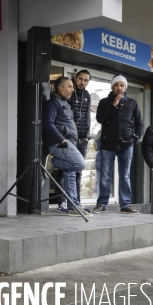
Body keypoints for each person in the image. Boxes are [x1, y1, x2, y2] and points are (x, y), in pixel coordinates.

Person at [93, 74, 144, 214]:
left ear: (125, 87)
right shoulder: (104, 102)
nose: (119, 88)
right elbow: (100, 118)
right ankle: (102, 203)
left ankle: (125, 204)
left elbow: (140, 124)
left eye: (122, 85)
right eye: (116, 85)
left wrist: (135, 139)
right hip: (108, 144)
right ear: (112, 87)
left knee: (125, 175)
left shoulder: (132, 103)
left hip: (127, 144)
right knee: (105, 175)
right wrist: (114, 105)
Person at [43, 77, 90, 217]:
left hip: (69, 142)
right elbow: (47, 123)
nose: (72, 90)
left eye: (72, 87)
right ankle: (53, 161)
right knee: (80, 164)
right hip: (60, 143)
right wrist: (61, 139)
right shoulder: (54, 103)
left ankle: (73, 206)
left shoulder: (65, 103)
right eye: (69, 87)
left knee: (70, 171)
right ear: (60, 88)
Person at [68, 70, 92, 212]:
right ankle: (63, 202)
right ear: (75, 78)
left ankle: (77, 202)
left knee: (79, 170)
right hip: (70, 138)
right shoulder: (70, 93)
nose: (82, 82)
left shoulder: (87, 95)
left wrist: (87, 135)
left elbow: (88, 115)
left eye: (85, 80)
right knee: (67, 170)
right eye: (80, 79)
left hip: (83, 138)